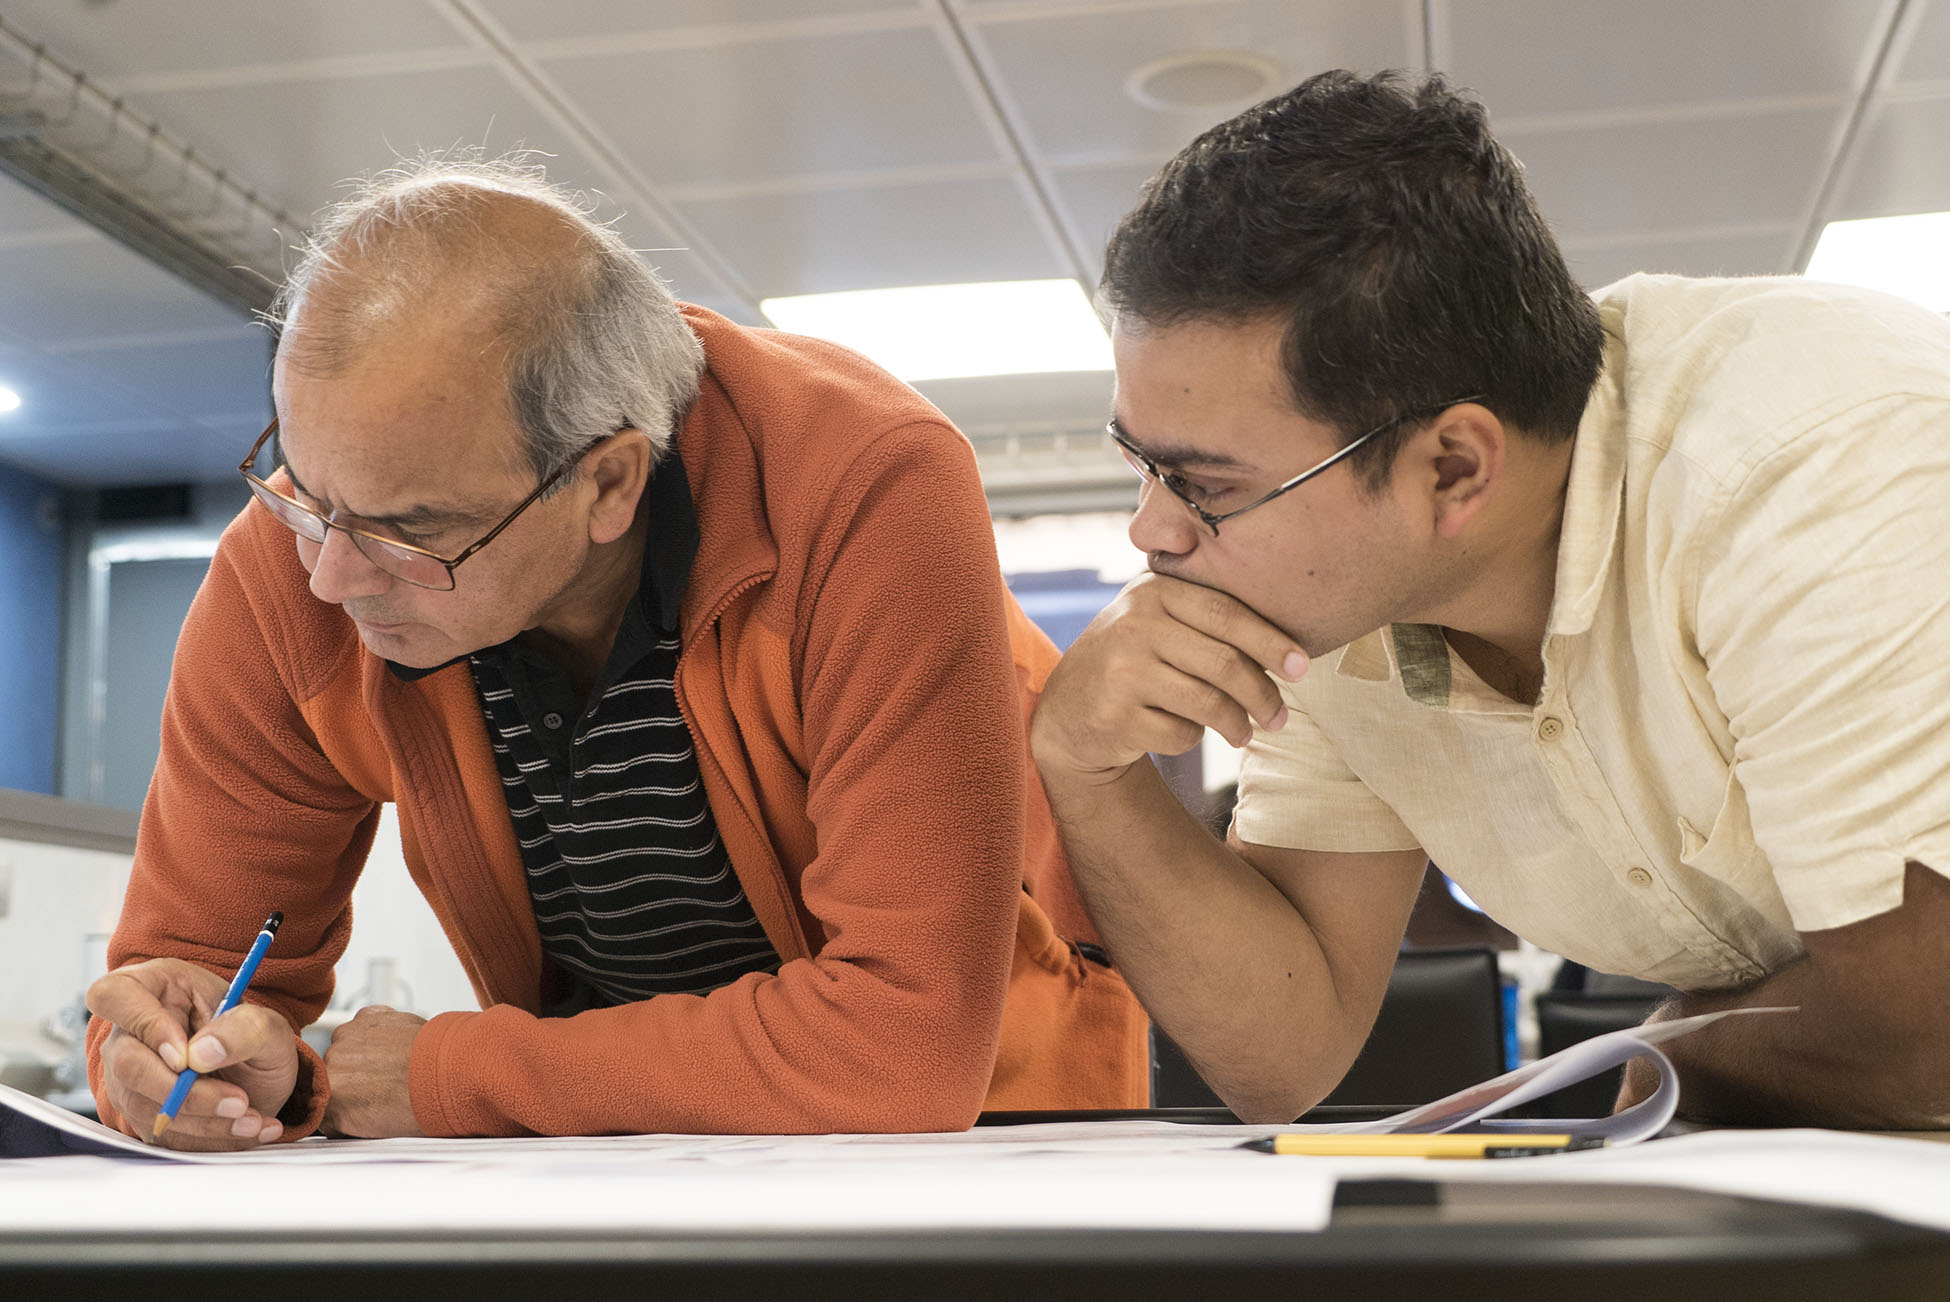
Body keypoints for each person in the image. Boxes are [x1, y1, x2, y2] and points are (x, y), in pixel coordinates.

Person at [85, 157, 1148, 1150]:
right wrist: (182, 1064)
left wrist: (457, 1075)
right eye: (305, 495)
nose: (332, 578)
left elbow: (903, 1044)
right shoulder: (299, 555)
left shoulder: (866, 492)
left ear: (608, 484)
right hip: (600, 1142)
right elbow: (192, 976)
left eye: (415, 532)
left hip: (984, 1131)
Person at [1031, 70, 1950, 1129]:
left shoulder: (1809, 471)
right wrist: (1087, 771)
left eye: (1206, 483)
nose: (1151, 530)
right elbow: (1283, 1053)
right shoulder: (1339, 605)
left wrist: (1662, 1058)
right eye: (1139, 463)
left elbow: (1923, 1030)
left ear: (1455, 469)